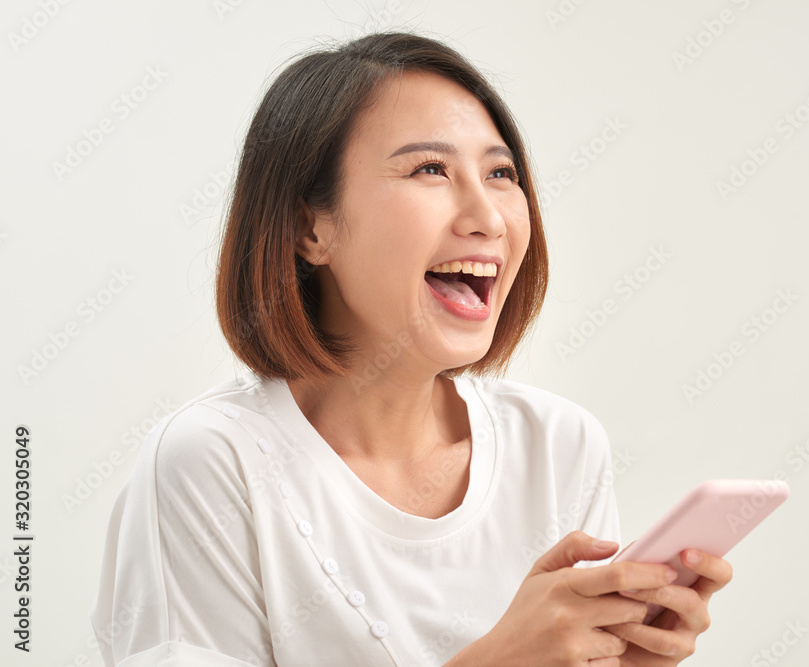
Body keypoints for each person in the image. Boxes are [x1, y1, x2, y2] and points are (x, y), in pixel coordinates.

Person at [89, 31, 731, 666]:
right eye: (431, 169)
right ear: (308, 226)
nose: (489, 217)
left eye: (501, 173)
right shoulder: (211, 463)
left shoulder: (559, 446)